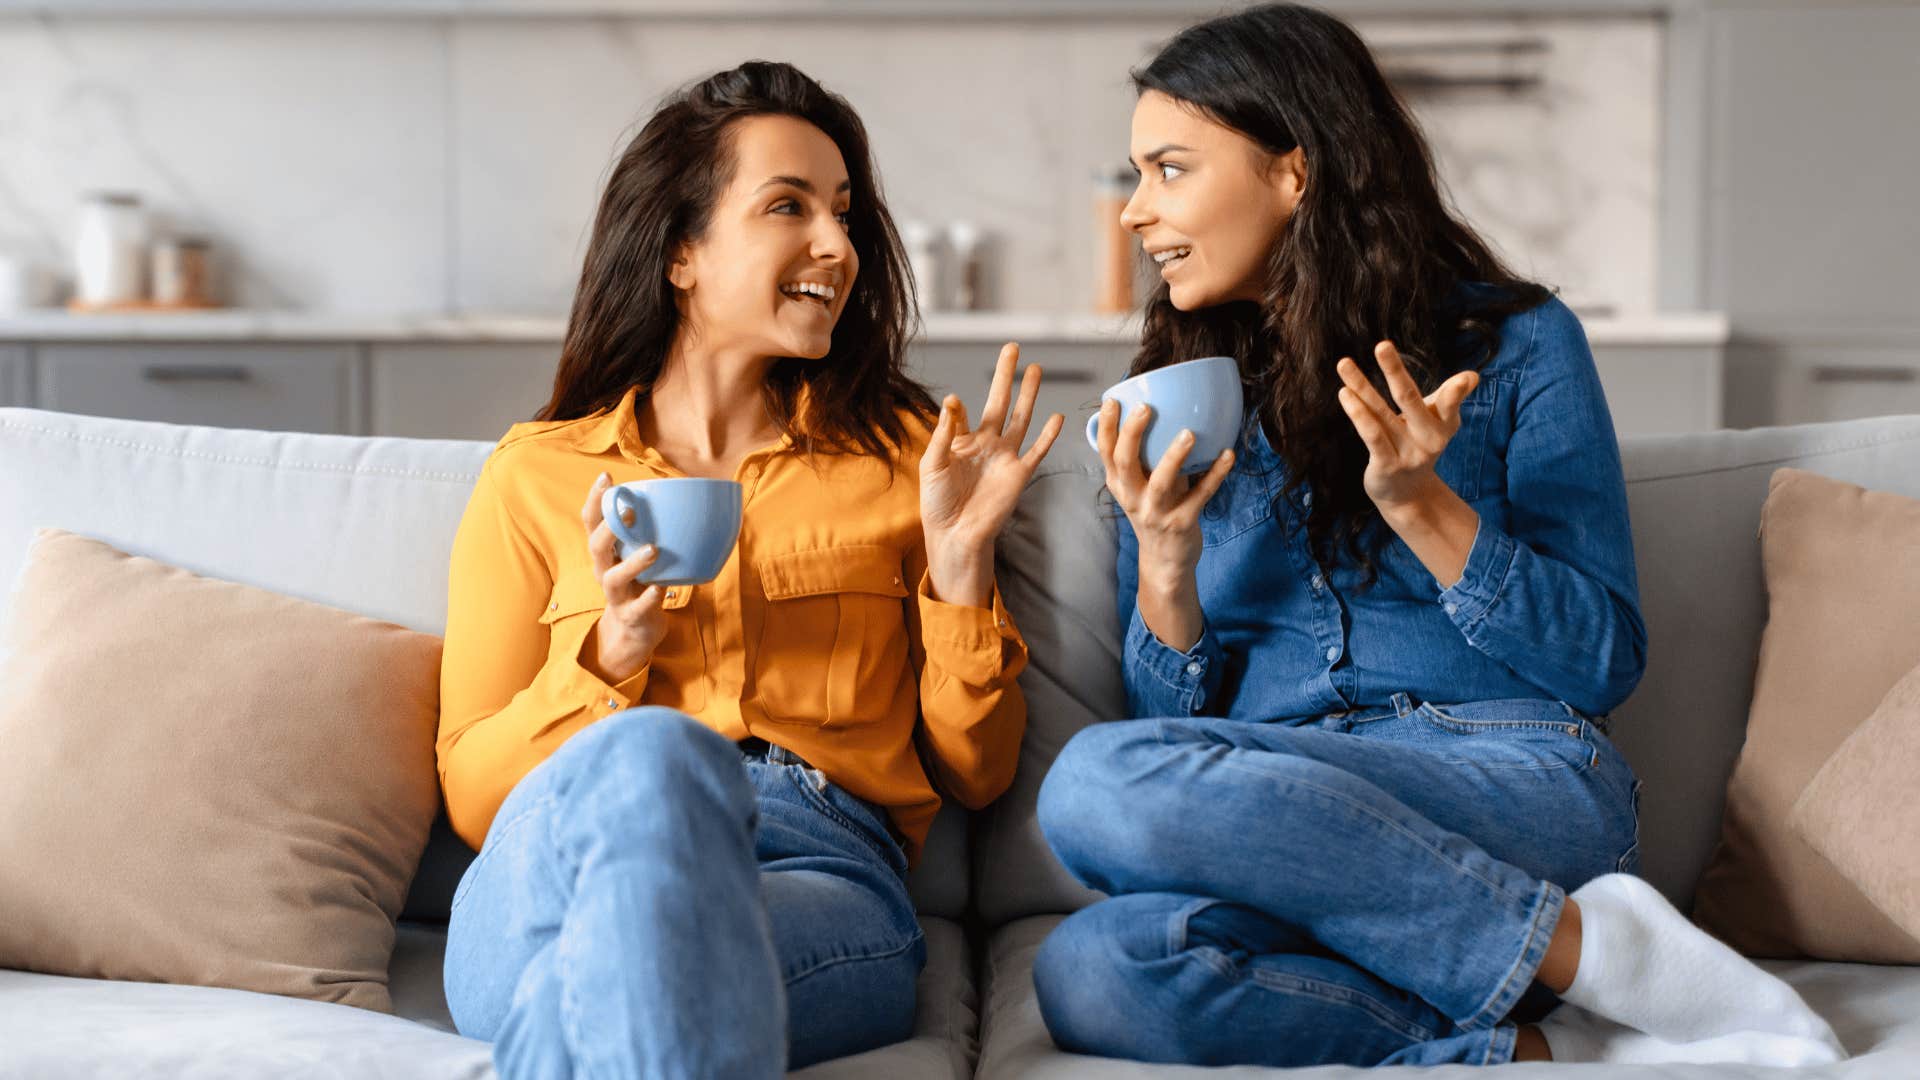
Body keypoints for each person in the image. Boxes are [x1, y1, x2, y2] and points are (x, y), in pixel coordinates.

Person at [1033, 4, 1845, 1069]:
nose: (1138, 212)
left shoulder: (1515, 344)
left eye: (1170, 169)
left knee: (1090, 781)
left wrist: (1425, 508)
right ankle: (1551, 1000)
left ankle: (1561, 945)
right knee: (1093, 967)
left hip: (1510, 779)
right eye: (1138, 175)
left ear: (1295, 171)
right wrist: (1169, 565)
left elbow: (1600, 663)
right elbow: (1177, 745)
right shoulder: (1174, 398)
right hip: (1297, 814)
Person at [435, 60, 1062, 1078]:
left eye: (845, 213)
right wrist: (609, 656)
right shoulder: (537, 475)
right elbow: (473, 796)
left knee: (591, 986)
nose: (837, 246)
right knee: (653, 759)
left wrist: (958, 568)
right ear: (680, 251)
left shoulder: (905, 455)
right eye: (789, 206)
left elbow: (977, 771)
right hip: (556, 857)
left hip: (815, 867)